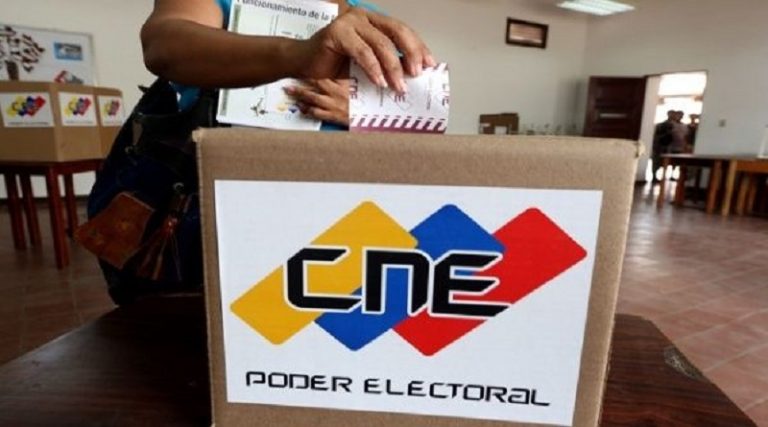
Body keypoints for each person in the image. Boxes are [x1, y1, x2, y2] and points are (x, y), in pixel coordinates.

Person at [82, 0, 436, 304]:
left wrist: (365, 111)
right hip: (220, 224)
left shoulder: (375, 22)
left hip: (338, 227)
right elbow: (163, 43)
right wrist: (298, 54)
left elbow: (420, 145)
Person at [651, 110, 676, 182]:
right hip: (659, 147)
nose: (673, 116)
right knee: (656, 162)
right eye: (671, 114)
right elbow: (656, 136)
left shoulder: (674, 125)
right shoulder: (661, 125)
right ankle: (654, 176)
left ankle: (663, 177)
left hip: (668, 147)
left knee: (665, 162)